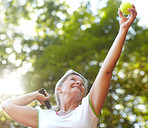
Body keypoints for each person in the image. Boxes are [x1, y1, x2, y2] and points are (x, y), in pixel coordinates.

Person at [2, 5, 137, 128]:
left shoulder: (88, 109)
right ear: (59, 89)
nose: (79, 82)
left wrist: (123, 29)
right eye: (73, 79)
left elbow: (106, 71)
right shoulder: (43, 117)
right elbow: (7, 106)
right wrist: (35, 96)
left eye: (82, 84)